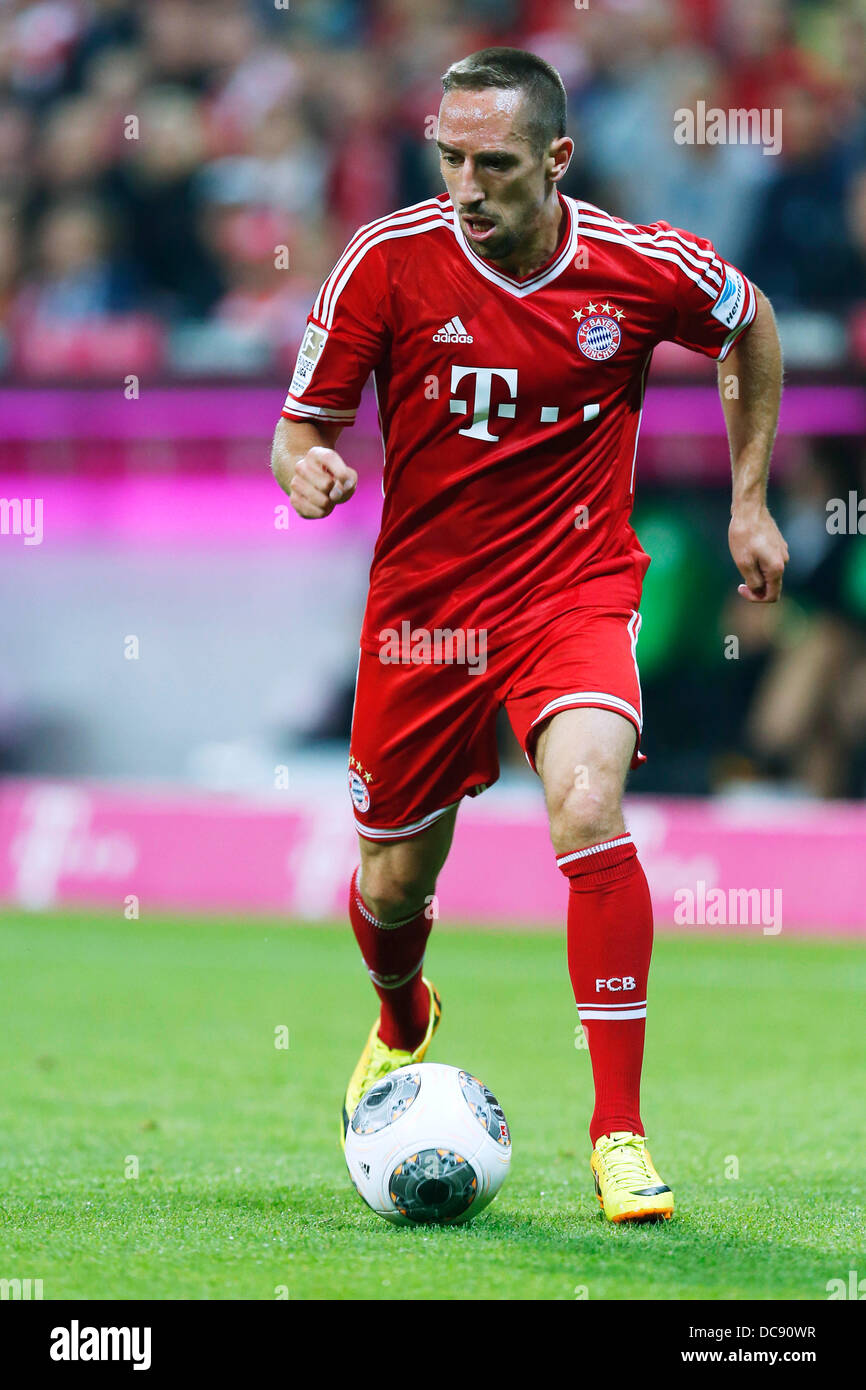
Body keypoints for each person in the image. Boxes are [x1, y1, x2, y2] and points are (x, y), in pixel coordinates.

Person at [271, 48, 788, 1223]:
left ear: (554, 159)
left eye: (491, 162)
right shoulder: (385, 261)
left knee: (587, 804)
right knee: (392, 883)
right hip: (424, 619)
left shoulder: (634, 264)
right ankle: (403, 1014)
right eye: (447, 155)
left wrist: (746, 500)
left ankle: (617, 1131)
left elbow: (746, 323)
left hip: (572, 591)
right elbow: (299, 426)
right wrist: (307, 466)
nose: (463, 181)